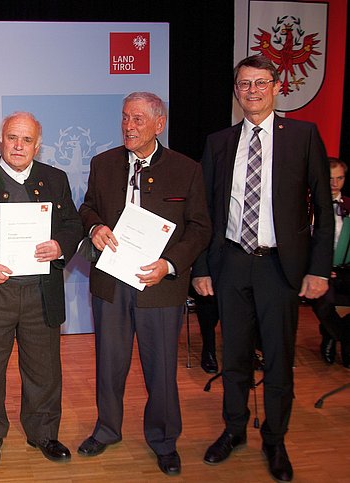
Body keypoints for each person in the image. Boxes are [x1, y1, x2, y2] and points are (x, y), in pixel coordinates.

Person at [193, 55, 332, 482]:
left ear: (275, 87)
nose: (251, 91)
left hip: (280, 267)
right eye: (243, 84)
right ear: (236, 91)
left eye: (259, 83)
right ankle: (234, 430)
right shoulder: (218, 142)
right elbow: (204, 212)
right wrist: (201, 267)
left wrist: (319, 269)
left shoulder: (303, 136)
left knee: (277, 359)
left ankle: (275, 438)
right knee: (234, 358)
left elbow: (324, 210)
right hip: (232, 263)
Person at [77, 92, 211, 476]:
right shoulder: (102, 164)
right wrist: (95, 226)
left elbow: (201, 228)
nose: (129, 126)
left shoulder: (187, 169)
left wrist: (170, 265)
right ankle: (106, 430)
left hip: (161, 285)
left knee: (161, 369)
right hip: (111, 283)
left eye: (137, 119)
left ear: (159, 123)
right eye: (124, 118)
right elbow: (88, 206)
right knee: (109, 362)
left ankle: (164, 440)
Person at [0, 112, 83, 467]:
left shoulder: (56, 179)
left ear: (38, 145)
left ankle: (44, 433)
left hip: (41, 291)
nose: (18, 146)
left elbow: (73, 224)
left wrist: (60, 246)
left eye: (26, 140)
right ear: (0, 140)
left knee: (44, 369)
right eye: (12, 138)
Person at [312, 158, 350, 367]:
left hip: (346, 269)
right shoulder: (309, 206)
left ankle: (336, 337)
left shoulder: (349, 206)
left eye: (340, 178)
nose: (335, 183)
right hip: (320, 270)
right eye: (330, 178)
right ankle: (341, 339)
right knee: (325, 304)